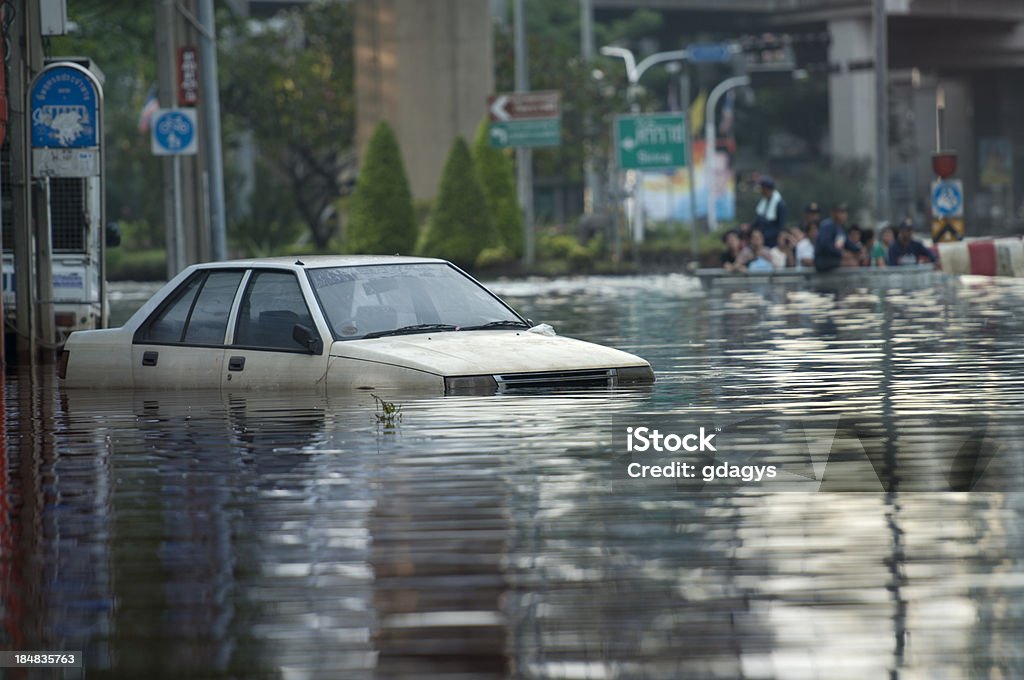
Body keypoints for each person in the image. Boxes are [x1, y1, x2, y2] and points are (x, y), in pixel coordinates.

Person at [752, 176, 786, 249]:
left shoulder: (779, 204)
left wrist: (764, 235)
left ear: (766, 189)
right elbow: (759, 220)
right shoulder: (764, 202)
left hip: (772, 243)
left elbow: (781, 226)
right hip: (761, 240)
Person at [814, 202, 850, 272]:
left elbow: (847, 243)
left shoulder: (840, 228)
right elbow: (825, 244)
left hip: (835, 259)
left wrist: (859, 250)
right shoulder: (827, 225)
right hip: (825, 260)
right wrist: (841, 253)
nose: (845, 215)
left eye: (845, 212)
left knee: (852, 261)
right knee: (849, 263)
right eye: (841, 212)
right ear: (834, 213)